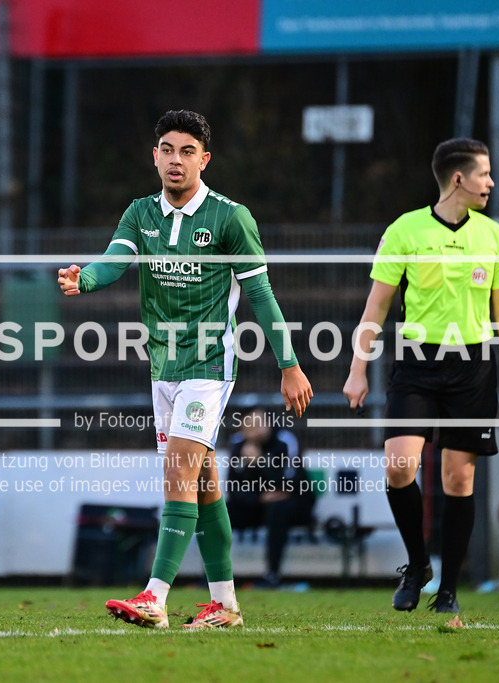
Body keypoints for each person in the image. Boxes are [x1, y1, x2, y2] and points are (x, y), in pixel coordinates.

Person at [58, 110, 313, 629]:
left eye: (187, 151)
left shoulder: (230, 218)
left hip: (210, 364)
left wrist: (289, 365)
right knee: (203, 486)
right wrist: (85, 279)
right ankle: (226, 605)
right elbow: (114, 260)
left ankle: (155, 596)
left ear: (204, 159)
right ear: (155, 155)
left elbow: (260, 295)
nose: (176, 161)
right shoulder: (139, 213)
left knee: (177, 469)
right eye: (168, 150)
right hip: (163, 367)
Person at [343, 137, 499, 615]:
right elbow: (378, 304)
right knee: (399, 465)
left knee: (457, 478)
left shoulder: (492, 236)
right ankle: (416, 565)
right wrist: (357, 369)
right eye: (484, 173)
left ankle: (448, 590)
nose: (490, 182)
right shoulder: (405, 231)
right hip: (415, 362)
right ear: (458, 179)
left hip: (472, 366)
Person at [225, 405, 315, 588]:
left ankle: (272, 575)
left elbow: (292, 485)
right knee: (219, 511)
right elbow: (233, 489)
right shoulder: (238, 444)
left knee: (278, 509)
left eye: (258, 424)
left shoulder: (285, 441)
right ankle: (213, 577)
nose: (254, 430)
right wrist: (259, 498)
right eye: (248, 426)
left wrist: (261, 462)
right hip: (257, 505)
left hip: (294, 505)